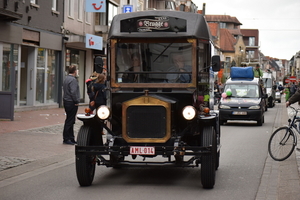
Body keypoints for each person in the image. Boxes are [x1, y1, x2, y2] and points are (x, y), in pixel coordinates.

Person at [62, 65, 80, 145]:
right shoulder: (73, 80)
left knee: (70, 119)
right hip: (71, 102)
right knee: (70, 120)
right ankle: (67, 138)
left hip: (66, 101)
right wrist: (76, 101)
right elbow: (73, 91)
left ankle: (71, 137)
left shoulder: (66, 79)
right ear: (75, 71)